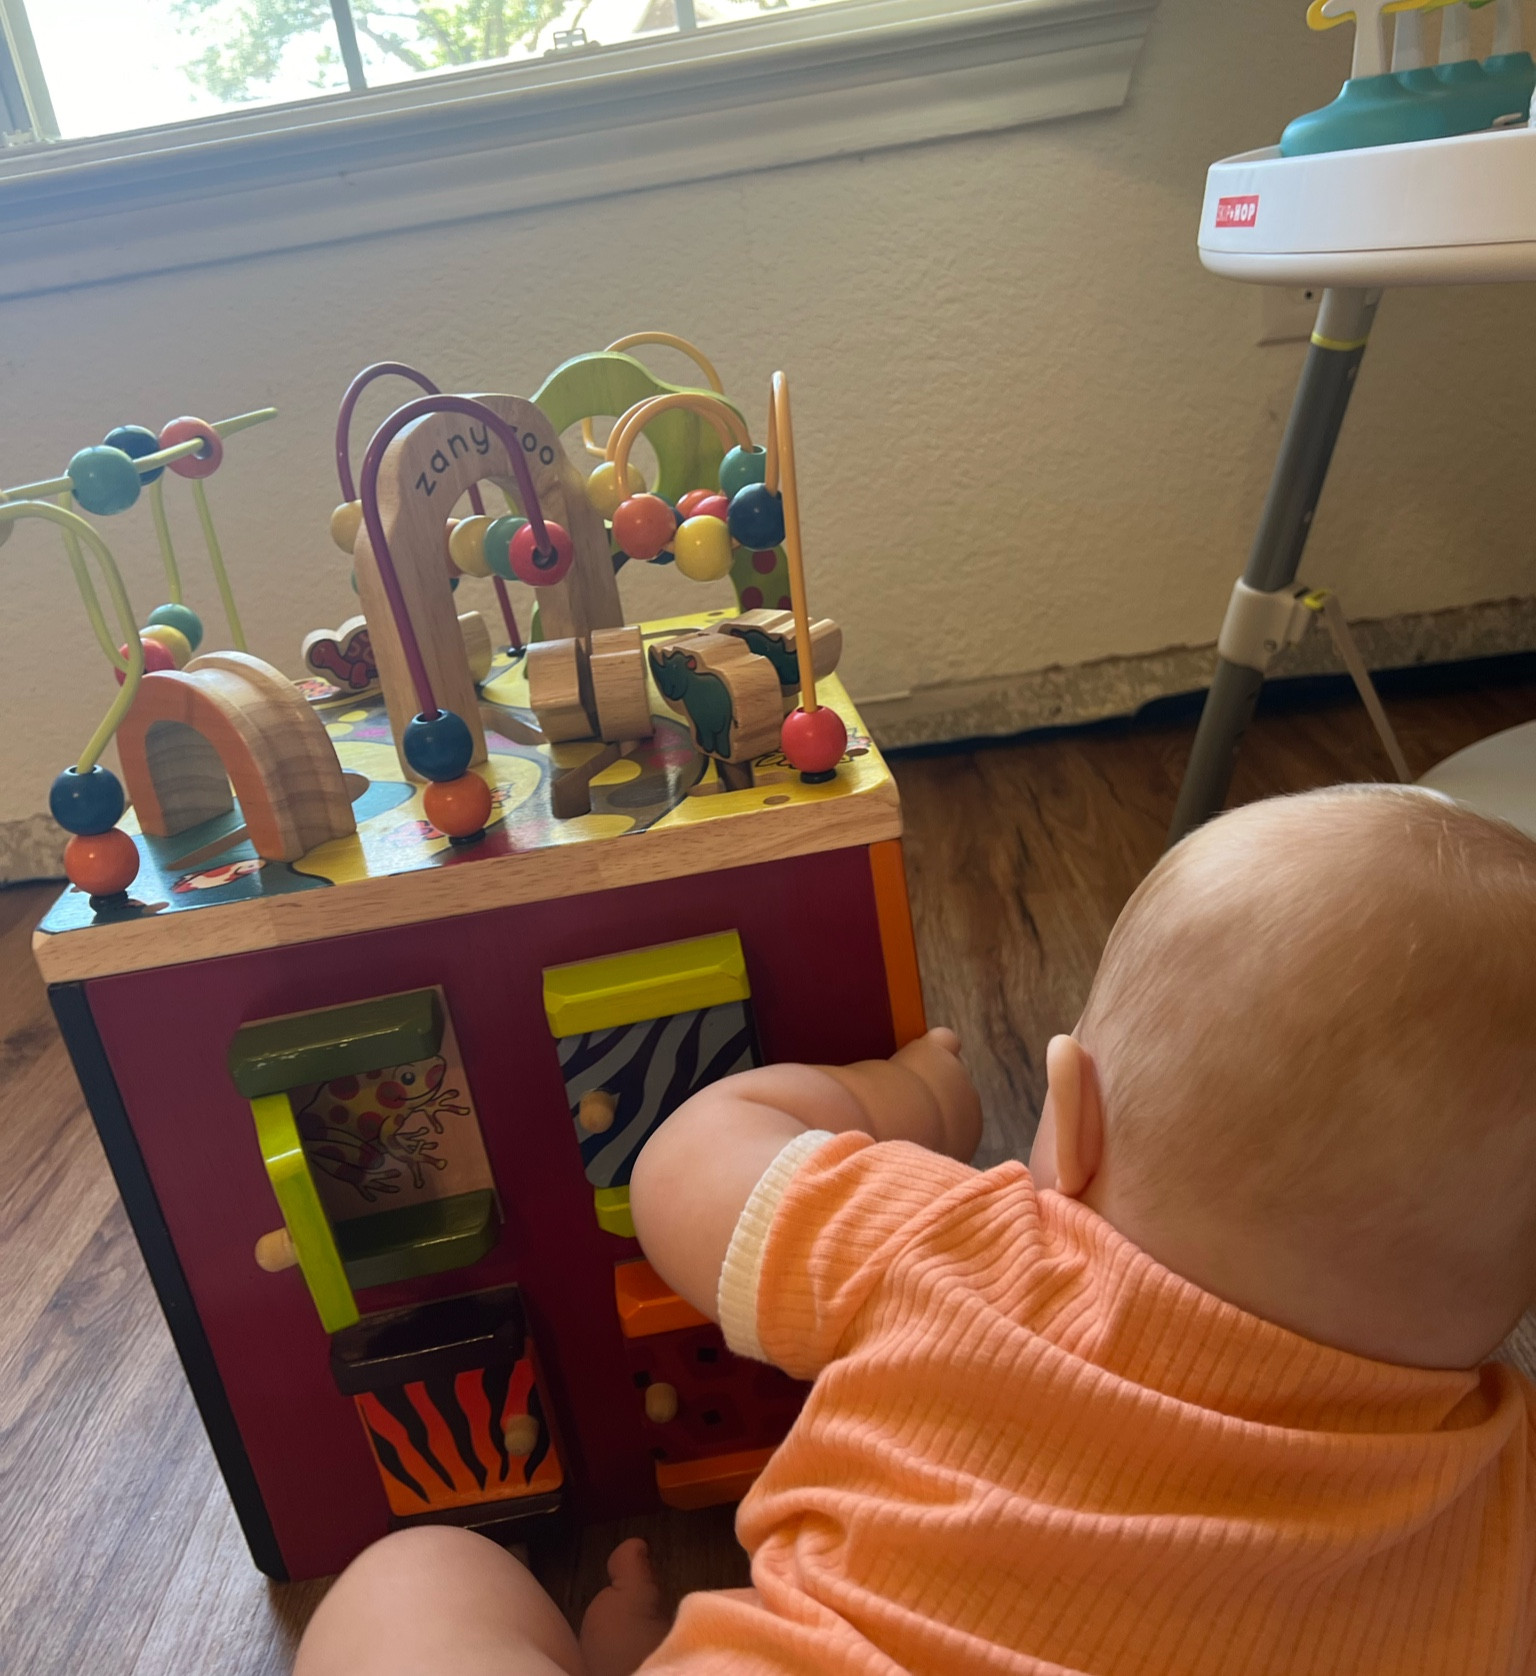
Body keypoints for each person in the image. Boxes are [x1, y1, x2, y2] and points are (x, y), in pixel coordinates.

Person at [294, 784, 1536, 1676]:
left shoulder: (958, 1238)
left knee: (416, 1580)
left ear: (1073, 1118)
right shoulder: (1507, 1488)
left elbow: (683, 1168)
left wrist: (902, 1100)